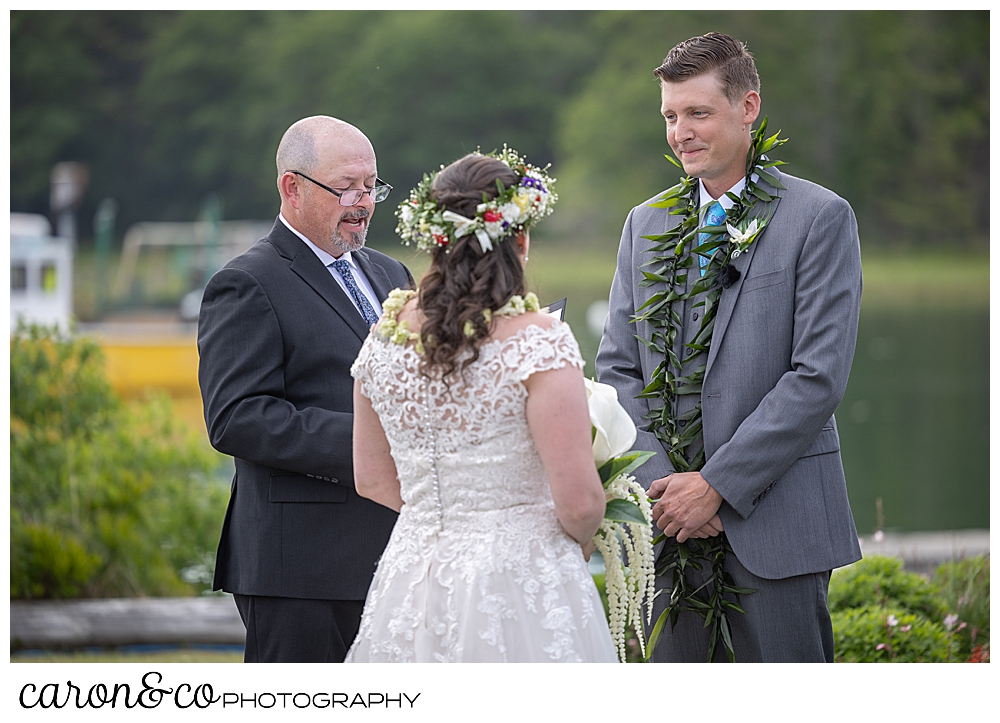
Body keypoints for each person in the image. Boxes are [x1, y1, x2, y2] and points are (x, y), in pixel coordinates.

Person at [596, 32, 863, 662]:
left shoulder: (819, 217)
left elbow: (816, 375)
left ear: (748, 108)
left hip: (779, 524)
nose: (679, 131)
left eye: (698, 113)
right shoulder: (646, 222)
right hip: (669, 528)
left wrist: (716, 485)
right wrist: (668, 489)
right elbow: (617, 368)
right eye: (669, 115)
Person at [344, 150, 618, 662]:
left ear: (435, 238)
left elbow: (370, 478)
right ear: (519, 238)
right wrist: (573, 542)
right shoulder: (539, 339)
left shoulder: (384, 336)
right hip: (521, 577)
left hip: (414, 574)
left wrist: (445, 523)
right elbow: (580, 504)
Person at [197, 116, 414, 663]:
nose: (363, 202)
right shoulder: (247, 282)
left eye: (372, 186)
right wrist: (374, 441)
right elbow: (237, 417)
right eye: (346, 187)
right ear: (292, 187)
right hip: (301, 568)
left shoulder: (392, 274)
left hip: (398, 554)